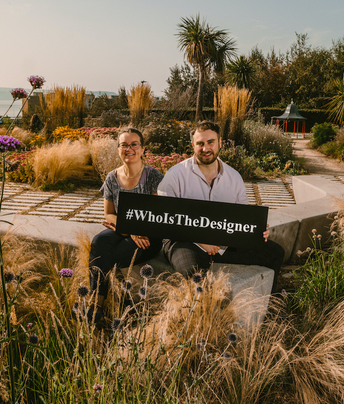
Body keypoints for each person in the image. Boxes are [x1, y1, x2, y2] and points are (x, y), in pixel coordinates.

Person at [158, 121, 284, 291]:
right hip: (184, 240)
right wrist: (201, 241)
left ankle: (270, 304)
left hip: (223, 241)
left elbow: (242, 216)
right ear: (192, 145)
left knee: (275, 252)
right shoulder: (175, 175)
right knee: (193, 273)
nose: (206, 148)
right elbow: (165, 220)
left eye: (211, 142)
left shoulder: (234, 177)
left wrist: (255, 230)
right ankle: (202, 315)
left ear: (219, 143)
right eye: (200, 144)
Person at [86, 128, 164, 317]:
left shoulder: (154, 177)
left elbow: (159, 217)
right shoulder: (112, 177)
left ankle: (101, 306)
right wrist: (129, 229)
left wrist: (132, 229)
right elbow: (109, 214)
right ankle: (97, 304)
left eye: (134, 144)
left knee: (106, 255)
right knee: (99, 242)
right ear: (118, 149)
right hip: (123, 229)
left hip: (148, 236)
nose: (129, 149)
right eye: (124, 145)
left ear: (143, 148)